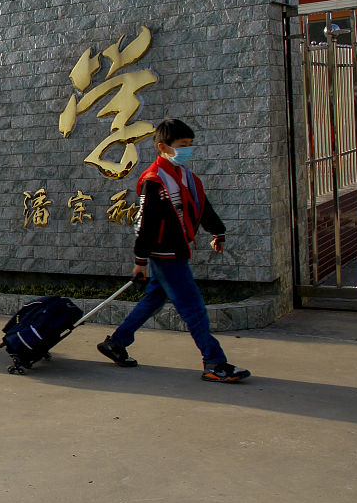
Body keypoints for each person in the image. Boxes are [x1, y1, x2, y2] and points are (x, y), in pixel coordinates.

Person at [96, 119, 251, 383]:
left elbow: (200, 205)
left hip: (177, 251)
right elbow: (145, 223)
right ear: (163, 147)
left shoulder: (185, 176)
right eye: (182, 145)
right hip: (164, 254)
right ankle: (214, 362)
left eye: (190, 145)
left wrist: (218, 231)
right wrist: (140, 259)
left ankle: (117, 342)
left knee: (154, 299)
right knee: (193, 307)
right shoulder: (154, 180)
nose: (188, 150)